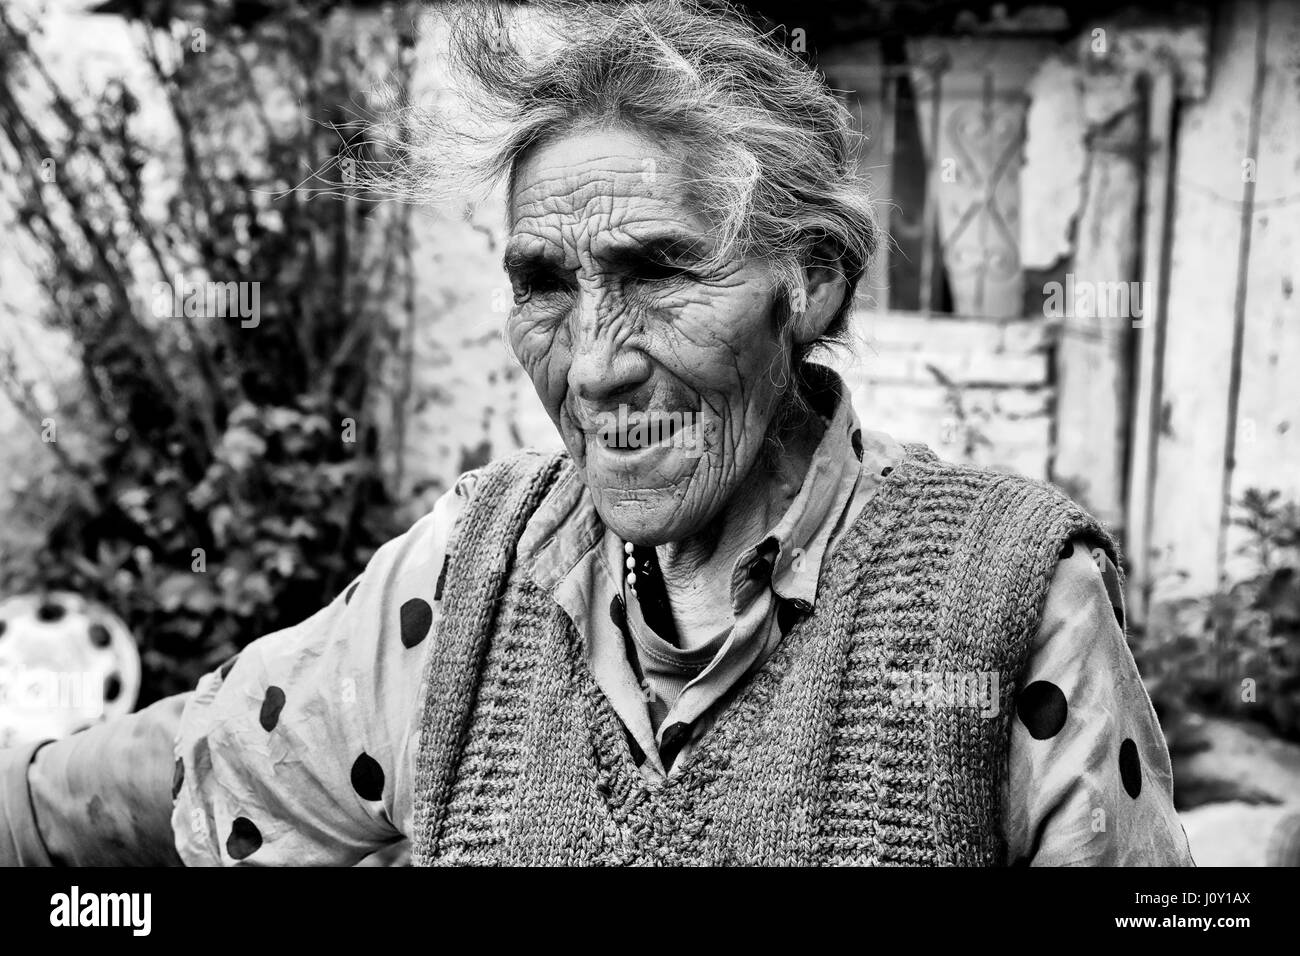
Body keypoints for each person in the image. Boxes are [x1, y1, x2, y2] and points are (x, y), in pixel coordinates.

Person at [0, 0, 1193, 866]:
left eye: (662, 269)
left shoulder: (1011, 599)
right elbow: (205, 767)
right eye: (545, 284)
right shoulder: (464, 577)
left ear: (812, 279)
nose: (594, 361)